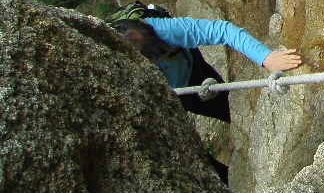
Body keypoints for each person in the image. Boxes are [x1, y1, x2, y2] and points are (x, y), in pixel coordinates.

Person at [112, 15, 302, 182]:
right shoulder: (118, 75)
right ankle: (227, 184)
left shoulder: (163, 30)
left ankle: (245, 153)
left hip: (196, 76)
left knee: (228, 110)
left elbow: (222, 30)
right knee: (190, 156)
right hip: (166, 100)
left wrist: (265, 57)